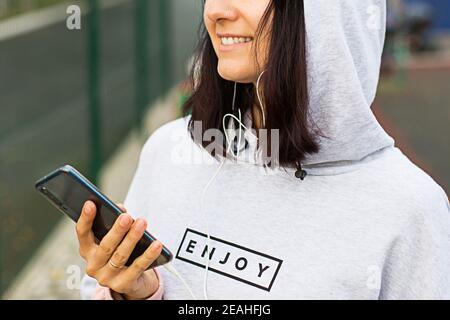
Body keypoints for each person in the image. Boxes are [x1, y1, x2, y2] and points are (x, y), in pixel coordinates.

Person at [79, 0, 450, 300]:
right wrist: (134, 296)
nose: (216, 11)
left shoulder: (409, 207)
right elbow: (96, 290)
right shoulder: (170, 150)